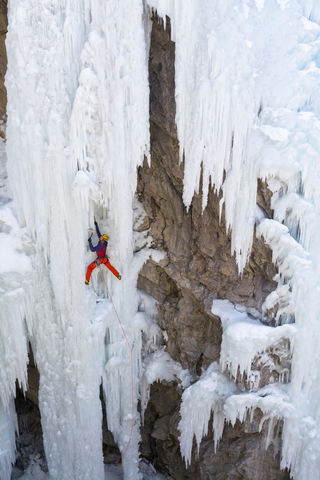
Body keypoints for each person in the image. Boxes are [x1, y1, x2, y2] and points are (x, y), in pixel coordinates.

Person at [85, 220, 121, 285]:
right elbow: (99, 234)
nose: (100, 237)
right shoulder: (104, 242)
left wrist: (90, 242)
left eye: (102, 237)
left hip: (100, 260)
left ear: (103, 239)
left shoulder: (100, 246)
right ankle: (118, 275)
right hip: (105, 259)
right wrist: (96, 226)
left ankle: (87, 280)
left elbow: (92, 249)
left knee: (89, 267)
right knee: (110, 267)